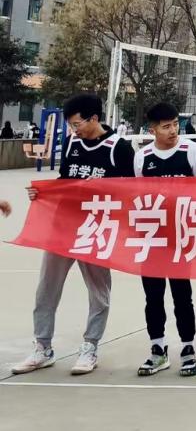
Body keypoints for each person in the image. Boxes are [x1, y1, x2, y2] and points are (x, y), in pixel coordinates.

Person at [11, 93, 134, 377]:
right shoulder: (72, 143)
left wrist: (103, 187)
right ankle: (42, 347)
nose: (74, 129)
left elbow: (131, 191)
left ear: (94, 118)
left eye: (77, 124)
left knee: (98, 292)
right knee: (46, 288)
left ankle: (90, 347)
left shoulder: (119, 148)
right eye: (70, 125)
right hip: (64, 226)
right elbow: (65, 181)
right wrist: (43, 192)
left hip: (96, 229)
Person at [134, 102, 196, 377]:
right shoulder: (142, 157)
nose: (173, 130)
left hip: (181, 237)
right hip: (152, 238)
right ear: (152, 130)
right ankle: (158, 349)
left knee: (182, 296)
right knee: (153, 297)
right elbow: (137, 196)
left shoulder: (192, 151)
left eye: (176, 124)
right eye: (166, 126)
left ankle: (188, 349)